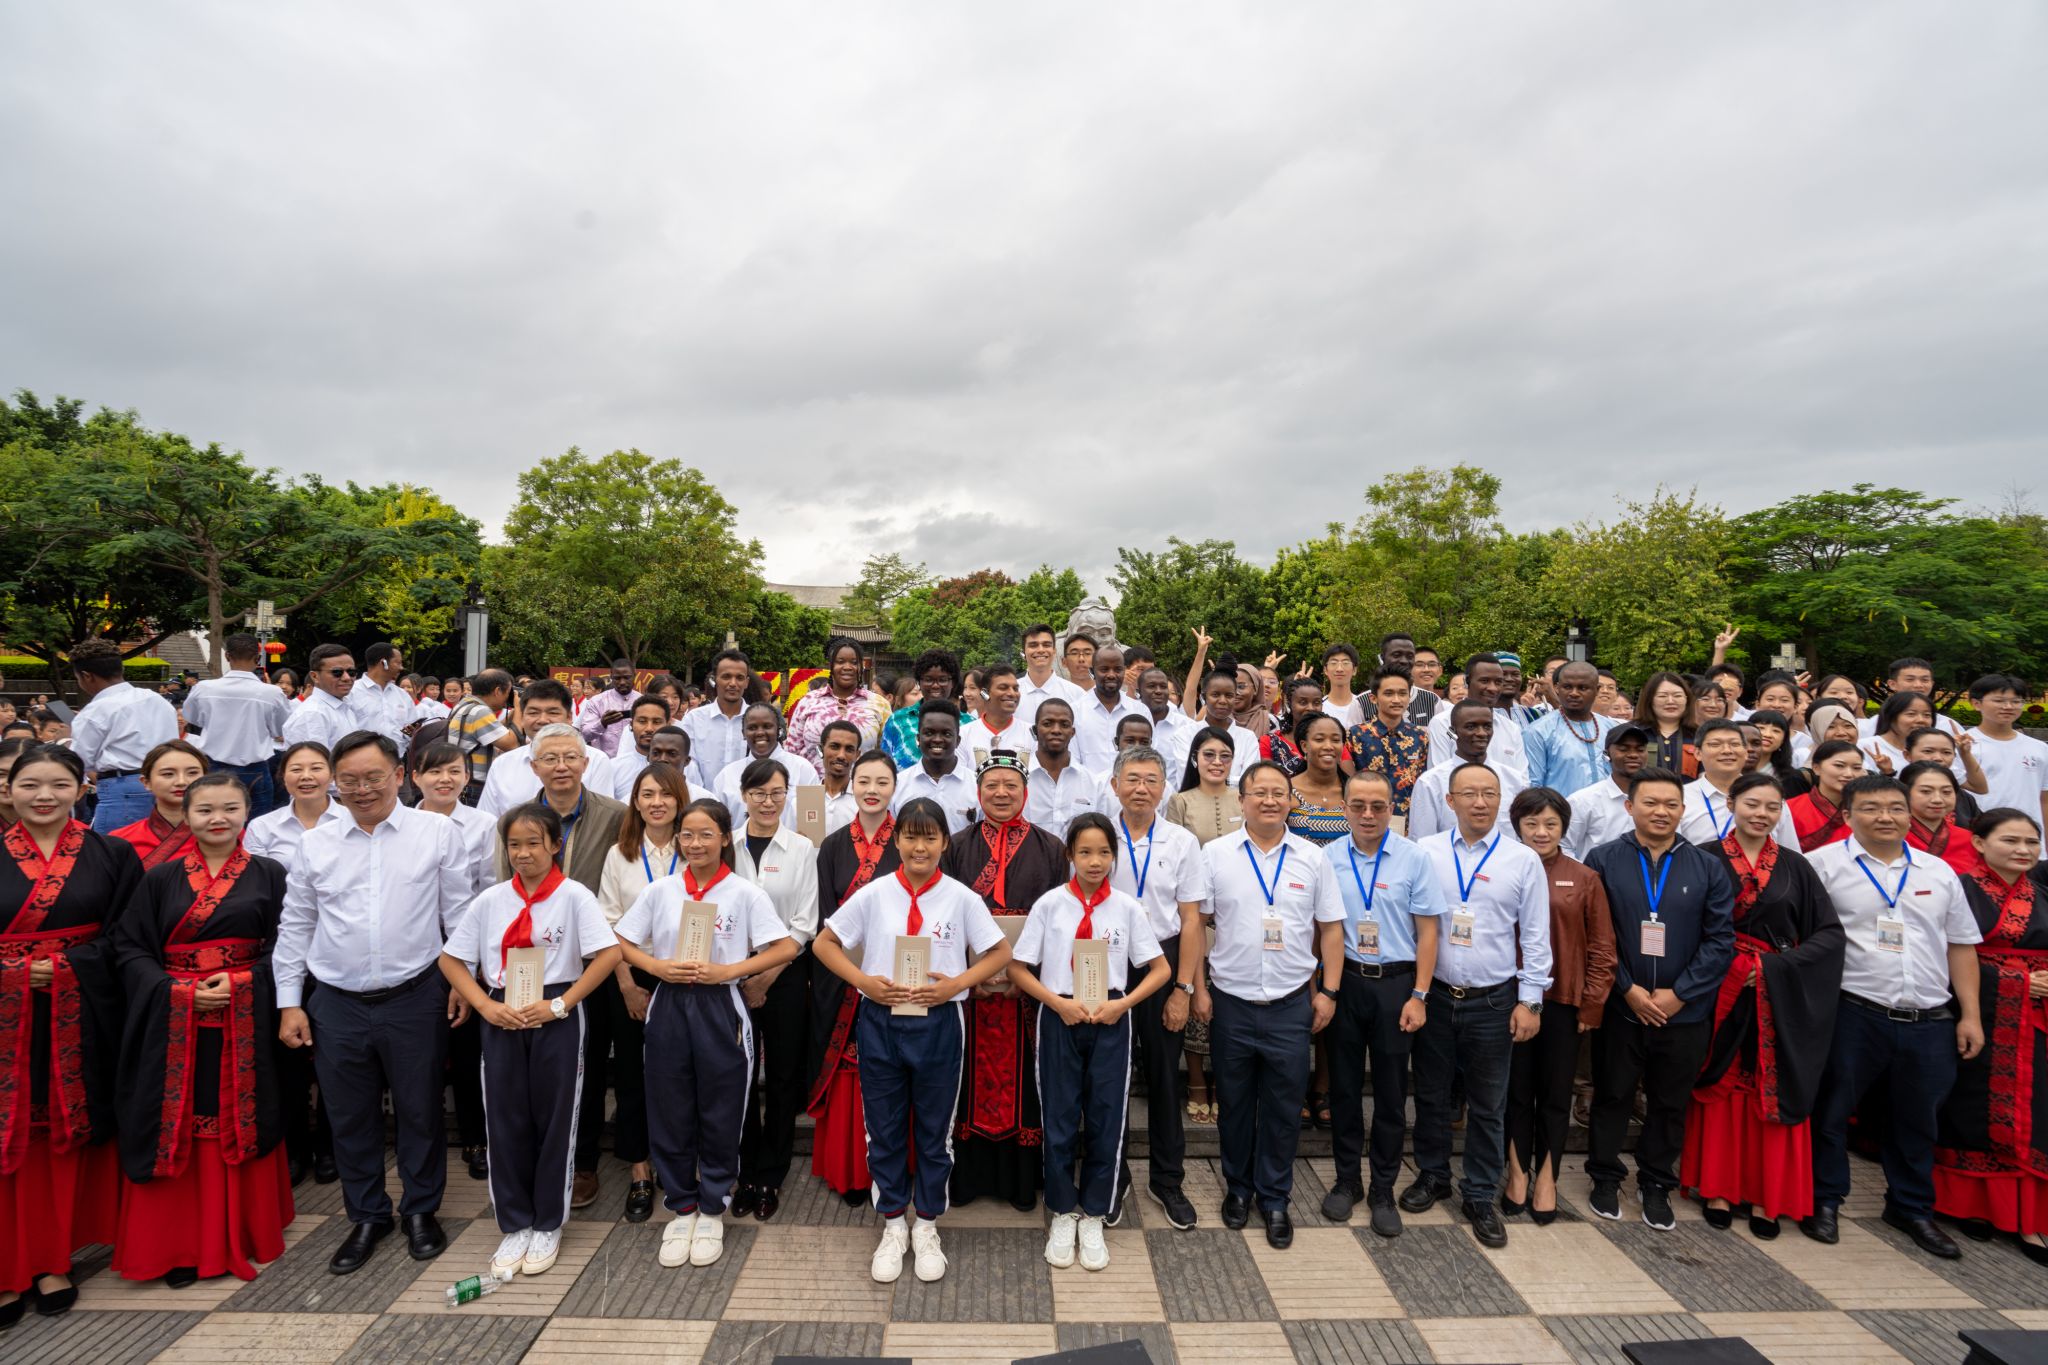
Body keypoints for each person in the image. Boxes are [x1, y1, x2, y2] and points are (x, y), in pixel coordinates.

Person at [273, 731, 476, 1274]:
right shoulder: (315, 841)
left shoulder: (435, 832)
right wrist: (290, 1001)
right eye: (350, 781)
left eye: (374, 777)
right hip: (335, 1001)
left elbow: (458, 917)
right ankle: (366, 1215)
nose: (362, 790)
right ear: (336, 783)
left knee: (420, 1110)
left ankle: (420, 1210)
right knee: (348, 1115)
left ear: (400, 774)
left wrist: (464, 979)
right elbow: (296, 925)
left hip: (415, 995)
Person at [814, 797, 1012, 1282]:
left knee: (933, 1131)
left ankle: (926, 1223)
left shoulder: (962, 898)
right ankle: (892, 1223)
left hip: (940, 1023)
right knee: (881, 1127)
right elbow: (824, 943)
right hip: (880, 1021)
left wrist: (956, 984)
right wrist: (863, 981)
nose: (919, 846)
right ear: (896, 839)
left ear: (945, 842)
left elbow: (1000, 951)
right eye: (910, 835)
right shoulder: (876, 893)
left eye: (930, 837)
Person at [1802, 775, 1984, 1257]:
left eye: (1895, 808)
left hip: (1929, 1017)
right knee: (1832, 1112)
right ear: (1847, 815)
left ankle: (1910, 1207)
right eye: (1872, 808)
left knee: (1919, 1118)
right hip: (1853, 1010)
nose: (1886, 816)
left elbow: (1961, 946)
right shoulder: (1820, 867)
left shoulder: (1938, 871)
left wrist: (1970, 1015)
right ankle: (1825, 1199)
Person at [614, 799, 799, 1269]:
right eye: (687, 835)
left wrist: (730, 971)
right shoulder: (662, 892)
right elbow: (620, 940)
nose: (695, 844)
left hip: (722, 1007)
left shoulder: (744, 893)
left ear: (723, 838)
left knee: (722, 1107)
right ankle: (681, 1205)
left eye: (705, 835)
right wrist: (656, 967)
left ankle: (713, 1204)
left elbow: (783, 946)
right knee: (670, 1105)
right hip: (669, 1006)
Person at [440, 802, 619, 1280]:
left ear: (555, 845)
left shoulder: (575, 896)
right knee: (505, 1117)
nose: (523, 853)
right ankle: (514, 1221)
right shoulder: (491, 900)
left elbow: (607, 955)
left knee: (556, 1116)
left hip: (555, 1011)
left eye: (533, 843)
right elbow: (452, 960)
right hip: (501, 1012)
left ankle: (548, 1222)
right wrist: (484, 1005)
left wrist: (561, 1005)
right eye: (514, 845)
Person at [0, 745, 142, 1325]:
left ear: (82, 789)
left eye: (59, 784)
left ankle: (52, 1257)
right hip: (5, 1023)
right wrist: (11, 973)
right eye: (30, 784)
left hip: (80, 1013)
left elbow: (131, 937)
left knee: (61, 1132)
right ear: (8, 790)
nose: (44, 796)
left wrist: (65, 967)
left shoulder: (111, 854)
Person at [1683, 772, 1844, 1239]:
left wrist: (1777, 969)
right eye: (1752, 804)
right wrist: (1729, 968)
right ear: (1731, 803)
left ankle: (1766, 1195)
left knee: (1769, 1090)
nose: (1761, 814)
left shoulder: (1797, 867)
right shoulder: (1703, 859)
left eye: (1772, 807)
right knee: (1720, 1085)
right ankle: (1716, 1187)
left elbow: (1829, 935)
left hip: (1778, 993)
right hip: (1718, 989)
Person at [1011, 813, 1169, 1271]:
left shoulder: (1126, 908)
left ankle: (1094, 1212)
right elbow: (1020, 969)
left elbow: (1159, 969)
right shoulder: (1050, 906)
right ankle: (1063, 1210)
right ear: (1069, 856)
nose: (1094, 861)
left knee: (1106, 1120)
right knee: (1058, 1119)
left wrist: (1125, 1005)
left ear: (1114, 858)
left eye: (1103, 853)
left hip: (1110, 1020)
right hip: (1060, 1016)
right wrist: (1056, 1004)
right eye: (1085, 852)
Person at [1403, 761, 1551, 1248]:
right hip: (1437, 996)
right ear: (1450, 801)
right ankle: (1432, 1175)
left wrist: (1531, 1000)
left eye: (1489, 793)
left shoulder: (1521, 859)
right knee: (1431, 1095)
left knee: (1489, 1104)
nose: (1480, 802)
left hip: (1494, 999)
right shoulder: (1424, 853)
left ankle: (1481, 1192)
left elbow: (1534, 934)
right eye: (1469, 794)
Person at [1582, 767, 1735, 1231]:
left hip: (1684, 1012)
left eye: (1670, 804)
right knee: (1612, 1094)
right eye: (1650, 803)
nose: (1661, 812)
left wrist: (1679, 994)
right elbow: (1595, 934)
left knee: (1669, 1102)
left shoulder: (1708, 865)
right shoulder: (1603, 859)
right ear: (1629, 807)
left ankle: (1655, 1181)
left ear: (1682, 810)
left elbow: (1720, 940)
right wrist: (1626, 988)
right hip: (1622, 1006)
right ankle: (1605, 1176)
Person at [1203, 762, 1346, 1248]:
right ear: (1241, 800)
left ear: (1291, 800)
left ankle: (1275, 1197)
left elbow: (1330, 929)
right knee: (1236, 1106)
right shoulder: (1215, 854)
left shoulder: (1312, 857)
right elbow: (1196, 923)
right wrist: (1196, 987)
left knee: (1284, 1108)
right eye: (1258, 792)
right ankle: (1238, 1190)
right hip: (1231, 1000)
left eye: (1278, 793)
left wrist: (1328, 992)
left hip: (1290, 1004)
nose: (1269, 800)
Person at [943, 752, 1070, 1210]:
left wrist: (1027, 976)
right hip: (971, 987)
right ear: (979, 793)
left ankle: (1019, 1181)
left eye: (1010, 786)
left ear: (1025, 792)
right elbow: (947, 916)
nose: (1001, 793)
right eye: (992, 786)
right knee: (966, 1079)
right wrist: (968, 976)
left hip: (1026, 990)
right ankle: (969, 1177)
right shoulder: (956, 845)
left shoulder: (1052, 847)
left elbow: (1057, 920)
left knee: (1025, 1081)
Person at [1321, 770, 1443, 1237]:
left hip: (1397, 985)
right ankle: (1347, 1180)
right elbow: (1322, 929)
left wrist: (1419, 995)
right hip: (1347, 982)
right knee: (1345, 1090)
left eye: (1378, 806)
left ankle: (1383, 1188)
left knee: (1392, 1094)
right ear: (1345, 807)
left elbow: (1428, 931)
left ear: (1393, 806)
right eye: (1359, 806)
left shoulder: (1414, 859)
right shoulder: (1327, 858)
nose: (1368, 815)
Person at [1103, 745, 1210, 1230]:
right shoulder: (1099, 835)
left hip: (1163, 961)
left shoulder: (1182, 842)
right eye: (1132, 779)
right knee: (1112, 1079)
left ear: (1164, 788)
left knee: (1166, 1076)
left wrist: (1183, 989)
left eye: (1151, 779)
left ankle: (1167, 1179)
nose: (1141, 788)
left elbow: (1192, 921)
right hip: (1107, 961)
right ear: (1114, 785)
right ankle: (1114, 1178)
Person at [1934, 809, 2048, 1261]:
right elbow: (1941, 950)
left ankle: (2030, 1218)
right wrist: (2018, 981)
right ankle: (1969, 1206)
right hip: (1974, 1008)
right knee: (1968, 1106)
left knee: (2035, 1111)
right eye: (2011, 841)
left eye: (2031, 843)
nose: (2022, 850)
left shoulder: (2042, 892)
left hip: (2034, 1019)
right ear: (1979, 843)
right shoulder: (1957, 889)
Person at [1501, 787, 1615, 1227]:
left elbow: (1603, 947)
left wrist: (1592, 1005)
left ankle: (1546, 1177)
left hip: (1563, 1002)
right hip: (1508, 1002)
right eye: (1531, 823)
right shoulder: (1502, 868)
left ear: (1564, 827)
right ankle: (1516, 1172)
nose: (1541, 832)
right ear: (1517, 826)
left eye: (1550, 823)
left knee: (1553, 1094)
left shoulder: (1582, 877)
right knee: (1515, 1092)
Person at [594, 762, 690, 1223]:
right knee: (631, 1074)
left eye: (666, 794)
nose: (657, 802)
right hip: (630, 974)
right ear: (635, 800)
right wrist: (627, 984)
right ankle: (639, 1170)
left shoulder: (695, 848)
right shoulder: (621, 854)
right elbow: (608, 925)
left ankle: (675, 1161)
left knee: (678, 1073)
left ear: (679, 799)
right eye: (647, 794)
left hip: (684, 973)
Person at [244, 741, 342, 1186]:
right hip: (281, 948)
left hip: (339, 946)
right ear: (281, 776)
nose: (307, 776)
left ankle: (329, 1145)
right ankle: (294, 1146)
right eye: (296, 768)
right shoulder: (263, 828)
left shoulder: (350, 820)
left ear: (332, 774)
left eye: (316, 767)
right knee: (289, 1056)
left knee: (335, 1058)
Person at [807, 750, 901, 1204]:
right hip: (842, 972)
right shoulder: (832, 845)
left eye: (882, 782)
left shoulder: (908, 841)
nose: (871, 790)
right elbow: (825, 916)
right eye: (864, 780)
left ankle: (893, 1169)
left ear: (894, 788)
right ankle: (850, 1169)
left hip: (892, 971)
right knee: (849, 1072)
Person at [730, 758, 821, 1222]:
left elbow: (805, 924)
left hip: (783, 977)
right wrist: (745, 976)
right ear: (744, 796)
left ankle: (771, 1173)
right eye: (759, 793)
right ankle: (745, 1168)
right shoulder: (725, 845)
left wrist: (764, 977)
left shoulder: (802, 848)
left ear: (789, 796)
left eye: (777, 793)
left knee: (783, 1078)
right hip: (731, 979)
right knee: (741, 1075)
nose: (768, 802)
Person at [412, 741, 499, 1180]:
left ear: (467, 777)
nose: (444, 779)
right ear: (414, 777)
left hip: (466, 948)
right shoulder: (401, 824)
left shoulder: (484, 825)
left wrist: (472, 953)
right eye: (433, 771)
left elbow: (488, 889)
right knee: (421, 1050)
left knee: (467, 1048)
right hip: (412, 948)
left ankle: (475, 1138)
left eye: (454, 770)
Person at [68, 638, 180, 833]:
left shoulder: (95, 711)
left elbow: (78, 762)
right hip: (167, 783)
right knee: (161, 849)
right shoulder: (156, 699)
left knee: (112, 853)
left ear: (86, 676)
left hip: (124, 789)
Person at [179, 633, 290, 815]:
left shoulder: (204, 688)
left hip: (214, 765)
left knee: (213, 822)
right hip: (256, 768)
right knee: (256, 827)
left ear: (227, 656)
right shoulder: (272, 693)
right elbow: (280, 730)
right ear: (257, 658)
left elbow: (193, 718)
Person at [477, 681, 619, 818]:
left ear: (569, 717)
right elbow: (489, 825)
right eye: (533, 713)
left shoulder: (596, 760)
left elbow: (601, 819)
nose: (543, 720)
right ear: (522, 717)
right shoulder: (503, 764)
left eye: (553, 713)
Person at [1408, 702, 1527, 842]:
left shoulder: (1514, 780)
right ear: (1452, 733)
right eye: (1471, 727)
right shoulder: (1431, 783)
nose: (1482, 733)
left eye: (1487, 726)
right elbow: (1422, 842)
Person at [1682, 719, 1801, 848]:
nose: (1727, 750)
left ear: (1745, 753)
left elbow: (1790, 852)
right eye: (1715, 744)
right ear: (1698, 753)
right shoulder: (1682, 798)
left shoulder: (1771, 798)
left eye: (1735, 744)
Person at [712, 703, 822, 831]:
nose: (760, 732)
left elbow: (813, 826)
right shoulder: (727, 776)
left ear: (778, 730)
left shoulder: (803, 770)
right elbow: (718, 827)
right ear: (743, 733)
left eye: (767, 726)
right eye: (752, 727)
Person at [1966, 675, 2048, 839]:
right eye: (1999, 701)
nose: (2008, 706)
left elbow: (2044, 799)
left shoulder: (2040, 748)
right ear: (1976, 704)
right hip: (1979, 837)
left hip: (2029, 841)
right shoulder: (1964, 745)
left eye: (2016, 701)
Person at [1347, 667, 1431, 821]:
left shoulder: (1421, 736)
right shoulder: (1355, 735)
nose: (1397, 700)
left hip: (1410, 822)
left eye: (1402, 693)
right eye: (1389, 693)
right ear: (1373, 698)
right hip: (1367, 819)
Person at [110, 740, 209, 869]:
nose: (181, 781)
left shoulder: (225, 833)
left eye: (192, 773)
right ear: (146, 782)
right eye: (168, 774)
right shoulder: (119, 840)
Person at [1522, 662, 1615, 798]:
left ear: (1596, 690)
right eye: (1567, 687)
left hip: (1609, 815)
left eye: (1582, 688)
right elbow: (1533, 786)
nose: (1574, 693)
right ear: (1557, 688)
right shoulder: (1537, 732)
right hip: (1562, 815)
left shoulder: (1611, 729)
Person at [786, 637, 883, 764]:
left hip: (860, 782)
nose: (847, 667)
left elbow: (886, 754)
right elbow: (791, 751)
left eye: (854, 662)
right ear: (830, 665)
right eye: (840, 661)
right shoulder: (808, 701)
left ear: (861, 667)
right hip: (812, 783)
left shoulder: (879, 704)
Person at [1566, 725, 1652, 860]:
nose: (1633, 755)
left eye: (1640, 749)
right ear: (1606, 754)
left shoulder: (1659, 799)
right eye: (1623, 749)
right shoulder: (1583, 801)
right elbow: (1564, 846)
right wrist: (1587, 876)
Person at [1426, 655, 1525, 772]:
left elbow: (1521, 780)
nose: (1493, 688)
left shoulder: (1512, 729)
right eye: (1485, 681)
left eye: (1498, 682)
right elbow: (1440, 775)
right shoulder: (1442, 723)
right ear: (1467, 681)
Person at [892, 698, 977, 834]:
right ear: (918, 739)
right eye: (929, 733)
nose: (937, 739)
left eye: (946, 734)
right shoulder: (898, 785)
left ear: (958, 741)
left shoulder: (976, 786)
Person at [1024, 698, 1102, 833]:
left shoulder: (1092, 783)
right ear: (1035, 730)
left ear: (1072, 733)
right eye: (1048, 723)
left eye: (1064, 725)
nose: (1056, 730)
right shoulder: (1019, 780)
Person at [681, 650, 758, 782]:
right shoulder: (693, 720)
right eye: (726, 676)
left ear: (746, 682)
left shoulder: (758, 720)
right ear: (715, 679)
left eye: (739, 678)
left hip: (747, 801)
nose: (733, 683)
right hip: (702, 800)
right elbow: (688, 766)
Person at [882, 650, 963, 772]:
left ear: (953, 683)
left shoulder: (969, 723)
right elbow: (885, 763)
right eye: (928, 679)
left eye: (942, 679)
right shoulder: (897, 721)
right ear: (919, 682)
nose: (935, 685)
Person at [1903, 760, 1984, 880]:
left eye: (1946, 792)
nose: (1937, 799)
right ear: (1905, 793)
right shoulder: (1893, 837)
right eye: (1926, 791)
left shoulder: (1969, 839)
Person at [1165, 726, 1245, 845]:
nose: (1217, 762)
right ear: (1194, 758)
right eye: (1209, 754)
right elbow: (1172, 850)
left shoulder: (1244, 800)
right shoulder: (1180, 802)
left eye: (1225, 756)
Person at [1070, 646, 1141, 778]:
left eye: (1118, 669)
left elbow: (1148, 757)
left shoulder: (1140, 711)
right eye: (1104, 669)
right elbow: (1073, 761)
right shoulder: (1075, 712)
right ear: (1092, 672)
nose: (1111, 675)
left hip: (1131, 793)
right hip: (1089, 794)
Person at [1789, 740, 1865, 853]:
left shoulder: (1869, 810)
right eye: (1839, 766)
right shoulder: (1789, 809)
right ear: (1816, 768)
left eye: (1856, 768)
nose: (1849, 774)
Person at [1287, 713, 1349, 845]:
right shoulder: (1286, 790)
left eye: (1336, 740)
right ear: (1304, 746)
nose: (1328, 746)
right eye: (1319, 740)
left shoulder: (1353, 790)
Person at [346, 643, 418, 756]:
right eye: (398, 662)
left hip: (396, 763)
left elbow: (412, 732)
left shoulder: (403, 696)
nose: (401, 667)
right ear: (383, 663)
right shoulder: (351, 693)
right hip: (361, 762)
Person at [1016, 623, 1089, 731]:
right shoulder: (1010, 693)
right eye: (1033, 645)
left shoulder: (1077, 695)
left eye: (1046, 645)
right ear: (1023, 653)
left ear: (1054, 651)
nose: (1040, 650)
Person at [609, 695, 680, 801]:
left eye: (656, 722)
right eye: (642, 721)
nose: (649, 728)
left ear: (668, 725)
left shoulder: (685, 766)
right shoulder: (613, 767)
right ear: (631, 725)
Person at [1634, 672, 1697, 777]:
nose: (1670, 701)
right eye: (1662, 696)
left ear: (1687, 699)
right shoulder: (1633, 732)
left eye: (1677, 695)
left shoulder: (1699, 735)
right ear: (1649, 699)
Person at [576, 660, 641, 758]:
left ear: (634, 675)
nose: (622, 682)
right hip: (605, 762)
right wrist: (602, 723)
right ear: (611, 678)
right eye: (617, 678)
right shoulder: (597, 701)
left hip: (635, 762)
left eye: (627, 677)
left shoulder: (643, 701)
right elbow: (585, 734)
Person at [811, 719, 864, 836]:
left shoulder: (864, 803)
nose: (841, 755)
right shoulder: (805, 801)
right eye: (834, 747)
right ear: (821, 749)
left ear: (857, 755)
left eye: (849, 749)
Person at [1795, 700, 1862, 769]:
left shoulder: (1867, 771)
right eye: (1830, 727)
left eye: (1848, 726)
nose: (1841, 733)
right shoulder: (1803, 776)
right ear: (1816, 731)